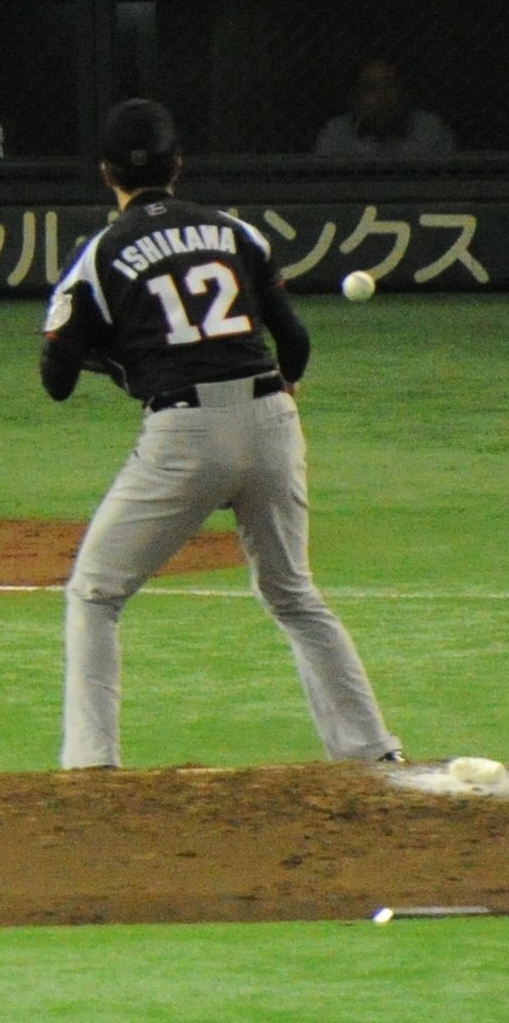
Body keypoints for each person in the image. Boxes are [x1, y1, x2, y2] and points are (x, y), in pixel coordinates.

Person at [38, 98, 403, 771]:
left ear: (104, 173)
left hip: (183, 435)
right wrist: (278, 397)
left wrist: (107, 357)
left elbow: (55, 378)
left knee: (96, 593)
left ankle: (91, 764)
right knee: (294, 595)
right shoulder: (237, 232)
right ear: (179, 165)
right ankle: (369, 750)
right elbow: (293, 342)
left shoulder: (100, 253)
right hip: (271, 421)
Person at [314, 58, 456, 158]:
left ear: (403, 91)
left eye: (389, 86)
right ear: (355, 97)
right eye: (370, 88)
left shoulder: (429, 130)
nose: (382, 96)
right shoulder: (336, 134)